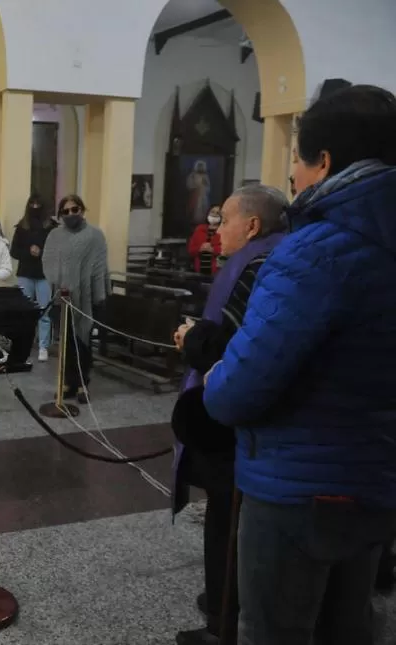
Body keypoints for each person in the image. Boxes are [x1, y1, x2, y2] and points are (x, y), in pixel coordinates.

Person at [202, 84, 396, 645]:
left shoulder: (315, 251)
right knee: (348, 625)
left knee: (275, 630)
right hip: (375, 475)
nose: (291, 172)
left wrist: (215, 376)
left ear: (325, 162)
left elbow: (236, 391)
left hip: (298, 488)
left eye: (295, 157)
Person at [171, 185, 288, 645]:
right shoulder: (275, 256)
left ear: (253, 225)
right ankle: (224, 596)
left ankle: (224, 618)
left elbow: (241, 352)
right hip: (252, 422)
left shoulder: (258, 265)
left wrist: (192, 340)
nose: (217, 229)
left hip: (237, 424)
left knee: (228, 517)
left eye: (227, 219)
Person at [41, 194, 108, 404]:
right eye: (66, 211)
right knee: (66, 342)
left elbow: (99, 266)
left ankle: (82, 384)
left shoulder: (95, 235)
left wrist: (99, 295)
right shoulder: (54, 235)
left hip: (86, 297)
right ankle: (67, 382)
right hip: (62, 297)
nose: (71, 214)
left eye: (75, 209)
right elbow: (48, 261)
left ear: (82, 209)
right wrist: (57, 283)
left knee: (83, 342)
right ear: (61, 214)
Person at [11, 194, 54, 362]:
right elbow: (14, 251)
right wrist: (28, 252)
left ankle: (43, 346)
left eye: (38, 203)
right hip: (25, 274)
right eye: (32, 203)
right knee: (24, 312)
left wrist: (41, 252)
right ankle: (23, 344)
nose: (35, 206)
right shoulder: (22, 227)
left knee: (44, 312)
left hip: (44, 274)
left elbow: (54, 251)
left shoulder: (51, 227)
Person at [187, 204, 222, 274]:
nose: (214, 214)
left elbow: (227, 250)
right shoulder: (199, 229)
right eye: (212, 212)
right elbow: (191, 250)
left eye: (218, 213)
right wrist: (200, 248)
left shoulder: (224, 231)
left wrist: (213, 249)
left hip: (217, 273)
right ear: (208, 213)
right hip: (199, 272)